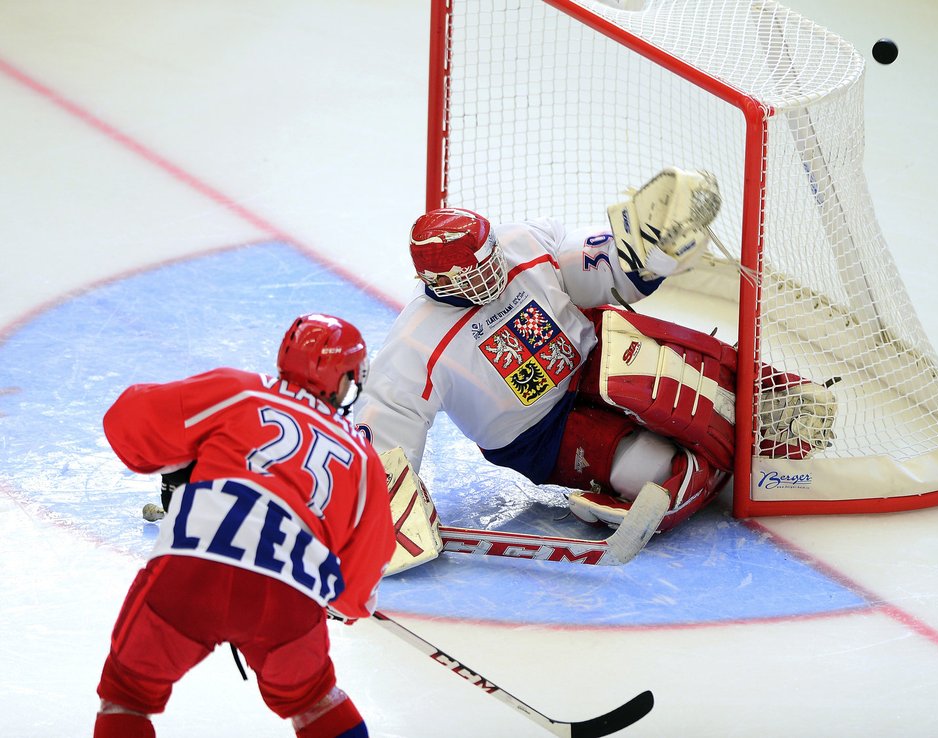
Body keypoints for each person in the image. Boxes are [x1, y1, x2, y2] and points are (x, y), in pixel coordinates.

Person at [353, 168, 837, 533]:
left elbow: (601, 274)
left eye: (491, 257)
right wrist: (381, 514)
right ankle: (692, 468)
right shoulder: (415, 343)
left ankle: (767, 401)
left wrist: (650, 253)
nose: (492, 273)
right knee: (648, 467)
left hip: (595, 353)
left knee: (673, 380)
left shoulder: (522, 242)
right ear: (434, 281)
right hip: (537, 434)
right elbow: (389, 426)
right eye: (473, 273)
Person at [94, 313, 394, 738]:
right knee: (316, 703)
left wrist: (183, 458)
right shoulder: (361, 457)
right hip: (285, 598)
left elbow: (126, 421)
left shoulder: (239, 391)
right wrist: (336, 600)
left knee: (126, 697)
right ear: (343, 379)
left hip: (191, 570)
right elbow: (357, 589)